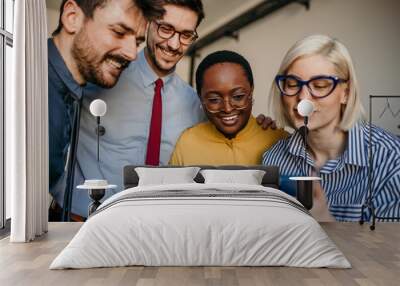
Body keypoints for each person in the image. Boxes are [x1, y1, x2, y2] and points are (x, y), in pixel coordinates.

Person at [262, 34, 400, 222]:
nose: (303, 99)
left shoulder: (391, 160)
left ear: (346, 93)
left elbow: (388, 250)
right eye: (292, 84)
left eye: (319, 86)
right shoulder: (273, 159)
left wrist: (325, 223)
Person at [48, 0, 165, 221]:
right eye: (119, 32)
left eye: (138, 41)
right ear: (72, 17)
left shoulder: (69, 90)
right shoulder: (35, 91)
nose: (132, 54)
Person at [169, 50, 287, 165]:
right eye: (214, 99)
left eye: (238, 96)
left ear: (251, 91)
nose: (227, 109)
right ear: (201, 97)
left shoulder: (279, 140)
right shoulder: (187, 143)